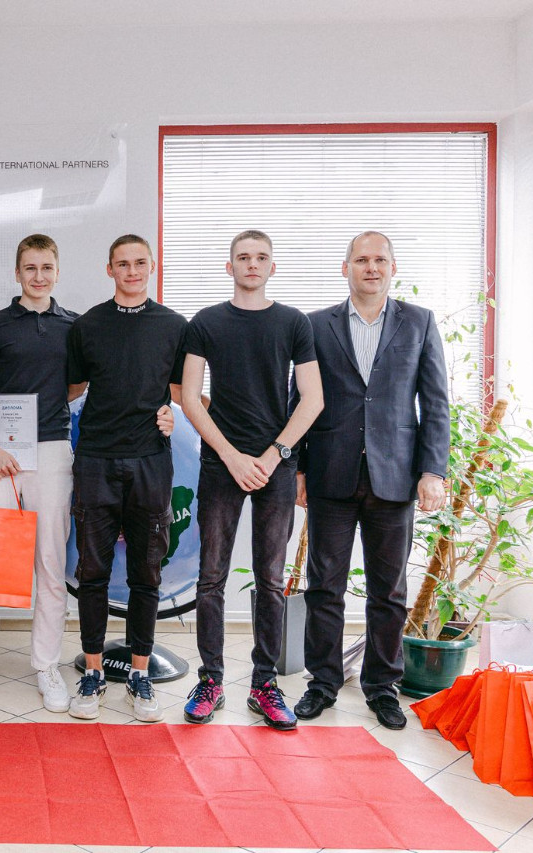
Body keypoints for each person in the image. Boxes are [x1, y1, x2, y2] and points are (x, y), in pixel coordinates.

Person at [293, 231, 448, 730]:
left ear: (392, 267)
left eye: (380, 259)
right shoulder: (315, 325)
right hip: (330, 475)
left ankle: (383, 687)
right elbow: (299, 400)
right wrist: (297, 469)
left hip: (395, 477)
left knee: (389, 592)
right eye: (361, 260)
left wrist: (433, 471)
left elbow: (435, 403)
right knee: (325, 587)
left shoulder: (419, 322)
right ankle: (322, 683)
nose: (371, 267)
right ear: (346, 268)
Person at [179, 230, 324, 731]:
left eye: (261, 257)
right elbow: (191, 398)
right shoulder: (205, 322)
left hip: (276, 466)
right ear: (230, 267)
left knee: (270, 579)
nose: (252, 264)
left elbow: (312, 398)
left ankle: (265, 684)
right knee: (211, 578)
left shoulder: (293, 322)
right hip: (221, 464)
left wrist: (273, 454)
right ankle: (211, 681)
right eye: (243, 257)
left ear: (272, 267)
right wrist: (232, 456)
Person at [0, 234, 78, 715]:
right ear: (17, 272)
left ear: (57, 271)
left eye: (46, 267)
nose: (38, 276)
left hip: (51, 452)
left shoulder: (74, 326)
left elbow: (76, 384)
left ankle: (46, 666)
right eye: (30, 268)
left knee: (49, 564)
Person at [65, 234, 186, 723]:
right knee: (92, 572)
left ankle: (139, 675)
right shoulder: (87, 325)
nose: (132, 271)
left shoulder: (175, 326)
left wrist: (174, 413)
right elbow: (70, 387)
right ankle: (93, 673)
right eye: (122, 264)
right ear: (109, 269)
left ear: (152, 266)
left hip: (150, 462)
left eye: (139, 263)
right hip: (95, 460)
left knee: (146, 574)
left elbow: (184, 391)